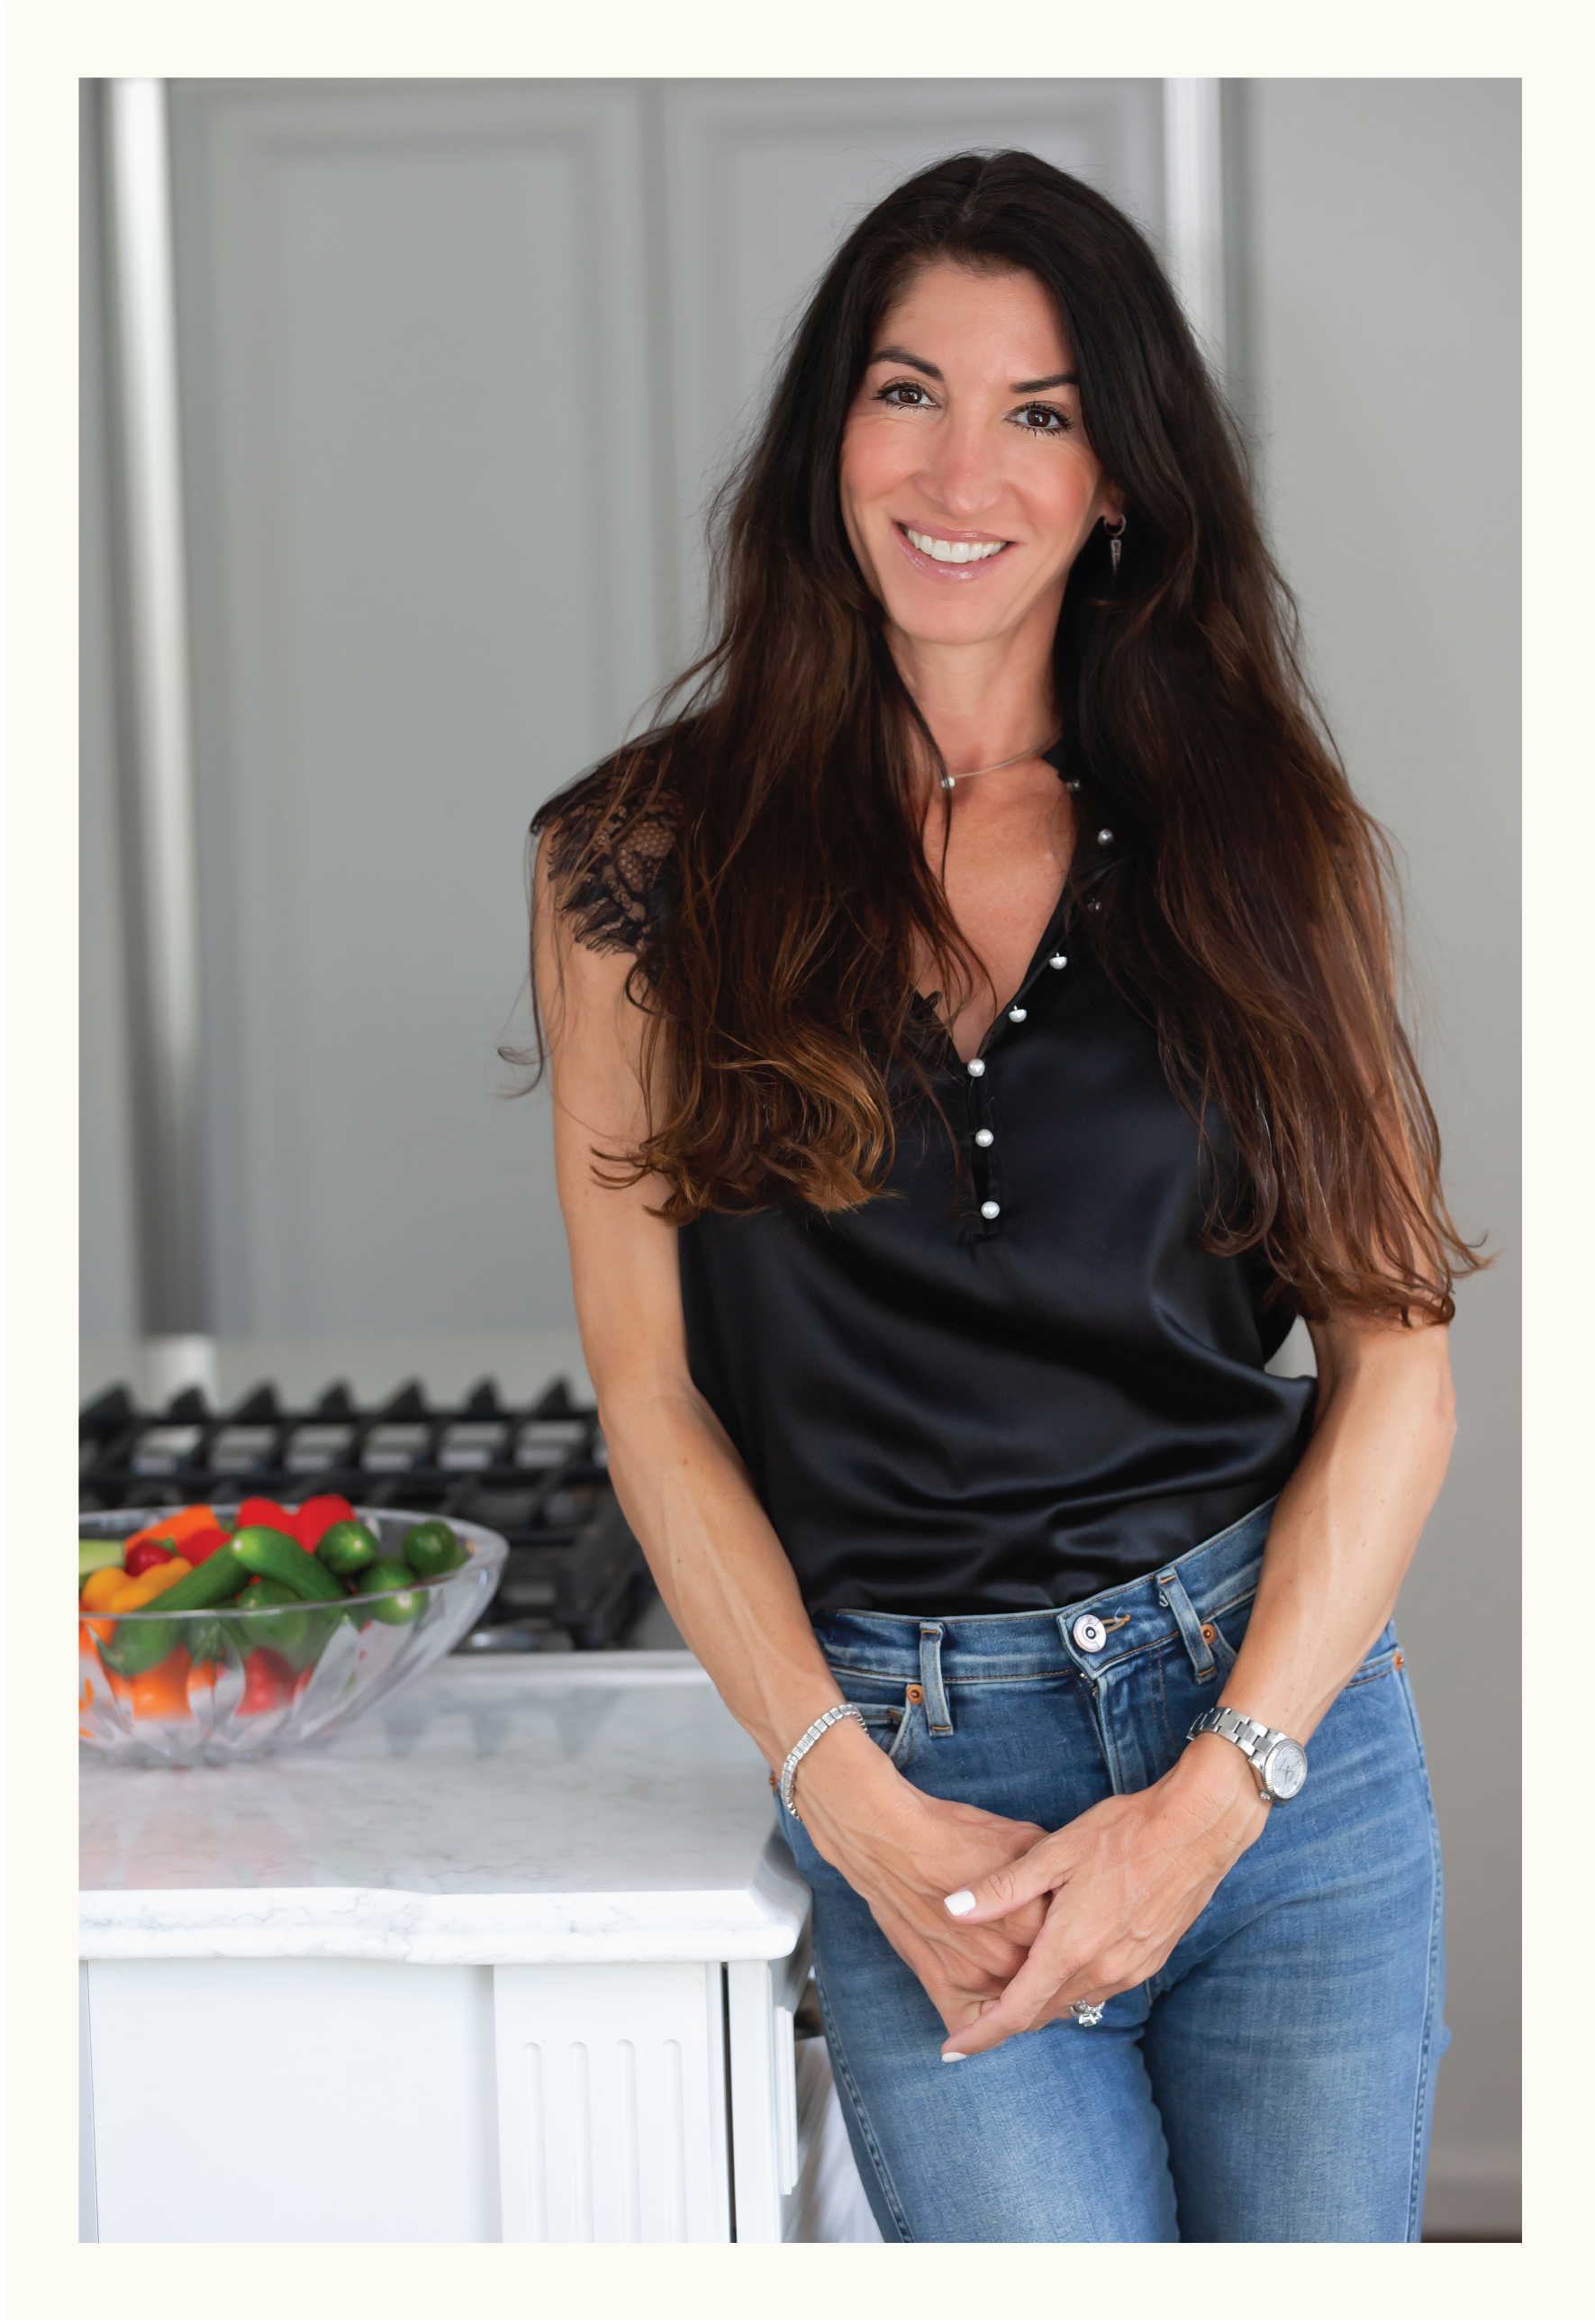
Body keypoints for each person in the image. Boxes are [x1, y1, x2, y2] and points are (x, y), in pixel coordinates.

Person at [527, 150, 1475, 2243]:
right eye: (907, 388)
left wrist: (1217, 1798)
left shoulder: (1257, 835)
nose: (963, 466)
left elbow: (1399, 1357)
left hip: (1273, 1743)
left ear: (1118, 481)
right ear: (827, 440)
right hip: (913, 1769)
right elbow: (652, 1394)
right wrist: (841, 1797)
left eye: (1041, 411)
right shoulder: (632, 865)